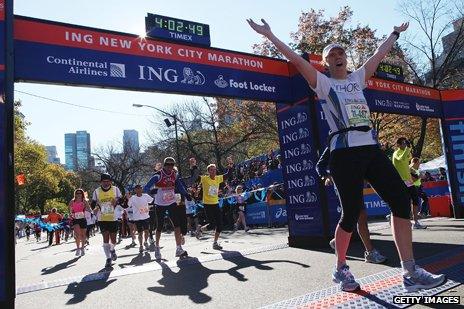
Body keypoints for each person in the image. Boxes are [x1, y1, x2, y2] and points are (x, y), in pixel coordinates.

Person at [248, 18, 445, 292]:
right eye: (332, 55)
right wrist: (269, 34)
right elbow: (294, 58)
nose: (338, 56)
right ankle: (341, 268)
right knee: (351, 212)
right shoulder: (323, 84)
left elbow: (379, 53)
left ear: (346, 59)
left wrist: (394, 33)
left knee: (401, 201)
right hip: (344, 154)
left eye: (341, 53)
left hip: (371, 149)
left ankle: (410, 271)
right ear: (326, 64)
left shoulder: (357, 78)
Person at [316, 147, 387, 264]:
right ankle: (369, 252)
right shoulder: (334, 142)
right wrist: (326, 176)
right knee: (357, 216)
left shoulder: (356, 142)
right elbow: (320, 165)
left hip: (356, 184)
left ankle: (337, 242)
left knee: (356, 217)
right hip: (342, 185)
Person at [144, 157, 191, 260]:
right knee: (159, 226)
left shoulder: (175, 175)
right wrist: (153, 192)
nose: (170, 167)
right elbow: (146, 188)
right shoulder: (158, 176)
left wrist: (186, 194)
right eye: (168, 164)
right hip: (160, 204)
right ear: (164, 165)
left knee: (177, 225)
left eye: (171, 165)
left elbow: (180, 187)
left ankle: (178, 248)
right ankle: (157, 247)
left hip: (171, 202)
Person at [392, 138, 426, 229]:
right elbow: (402, 159)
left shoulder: (406, 152)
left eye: (405, 143)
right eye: (403, 143)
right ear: (398, 145)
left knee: (415, 200)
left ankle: (416, 222)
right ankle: (393, 217)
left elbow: (406, 162)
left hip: (408, 181)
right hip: (400, 181)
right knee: (403, 202)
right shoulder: (396, 153)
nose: (405, 145)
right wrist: (407, 148)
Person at [198, 163, 233, 250]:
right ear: (208, 171)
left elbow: (227, 175)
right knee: (212, 224)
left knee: (220, 225)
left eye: (214, 169)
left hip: (215, 203)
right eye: (211, 170)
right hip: (207, 204)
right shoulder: (205, 179)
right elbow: (195, 177)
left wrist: (230, 167)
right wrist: (193, 167)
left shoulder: (218, 178)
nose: (213, 171)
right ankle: (201, 229)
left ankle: (215, 243)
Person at [92, 173, 122, 268]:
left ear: (110, 182)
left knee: (113, 240)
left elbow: (121, 200)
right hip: (102, 218)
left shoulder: (115, 189)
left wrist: (116, 201)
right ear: (101, 182)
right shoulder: (96, 191)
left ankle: (112, 250)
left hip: (113, 217)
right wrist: (96, 207)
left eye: (107, 181)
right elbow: (93, 203)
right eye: (104, 181)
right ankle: (108, 258)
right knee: (105, 239)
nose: (106, 183)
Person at [128, 185, 153, 253]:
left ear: (142, 189)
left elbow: (152, 201)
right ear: (135, 190)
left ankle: (145, 242)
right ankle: (141, 245)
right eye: (137, 189)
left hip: (145, 216)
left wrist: (149, 207)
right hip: (137, 217)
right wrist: (128, 198)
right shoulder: (133, 198)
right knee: (140, 233)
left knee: (147, 231)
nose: (138, 190)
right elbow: (128, 205)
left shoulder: (146, 196)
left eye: (140, 188)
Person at [69, 188, 91, 256]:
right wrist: (71, 214)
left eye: (80, 193)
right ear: (75, 194)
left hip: (83, 219)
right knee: (77, 235)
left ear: (82, 194)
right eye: (77, 193)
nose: (78, 194)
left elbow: (89, 208)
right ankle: (78, 248)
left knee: (83, 235)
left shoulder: (84, 201)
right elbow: (70, 210)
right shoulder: (72, 201)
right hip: (75, 219)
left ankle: (82, 248)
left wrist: (88, 211)